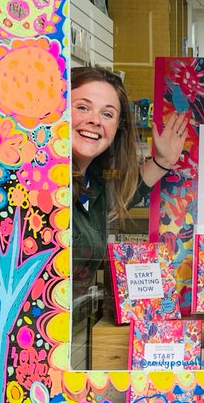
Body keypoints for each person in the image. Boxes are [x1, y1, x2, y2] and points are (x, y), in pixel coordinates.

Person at [71, 65, 188, 301]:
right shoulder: (38, 182)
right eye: (82, 107)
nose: (94, 120)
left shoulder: (92, 184)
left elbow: (127, 193)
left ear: (117, 128)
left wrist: (163, 161)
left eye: (107, 114)